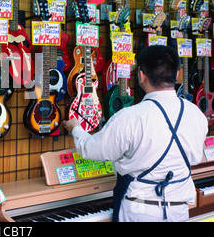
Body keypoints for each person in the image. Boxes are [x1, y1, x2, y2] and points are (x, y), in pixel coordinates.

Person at [63, 45, 208, 222]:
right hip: (179, 210)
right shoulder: (196, 114)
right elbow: (197, 157)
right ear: (177, 75)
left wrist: (76, 127)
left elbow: (92, 150)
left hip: (140, 210)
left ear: (141, 75)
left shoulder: (129, 117)